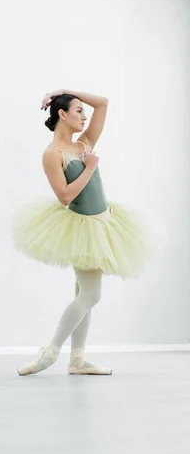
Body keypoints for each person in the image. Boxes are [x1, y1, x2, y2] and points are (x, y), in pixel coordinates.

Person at [11, 88, 166, 376]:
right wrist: (90, 167)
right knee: (91, 296)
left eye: (83, 111)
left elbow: (104, 103)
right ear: (62, 114)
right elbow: (65, 196)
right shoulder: (52, 154)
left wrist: (63, 90)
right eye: (78, 110)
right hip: (84, 229)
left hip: (106, 222)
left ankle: (78, 360)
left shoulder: (84, 143)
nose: (84, 115)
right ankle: (51, 351)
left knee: (84, 293)